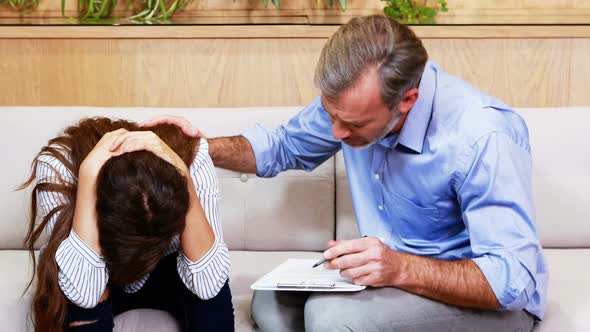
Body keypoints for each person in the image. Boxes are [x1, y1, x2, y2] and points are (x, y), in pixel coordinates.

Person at [145, 15, 547, 332]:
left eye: (352, 125)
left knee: (330, 320)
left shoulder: (482, 137)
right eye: (331, 116)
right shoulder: (352, 104)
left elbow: (512, 280)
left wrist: (400, 267)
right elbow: (283, 146)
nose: (336, 134)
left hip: (487, 303)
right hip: (393, 280)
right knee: (270, 301)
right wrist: (197, 147)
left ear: (406, 100)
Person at [21, 118, 234, 332]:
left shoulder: (192, 156)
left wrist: (185, 179)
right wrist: (88, 179)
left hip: (169, 275)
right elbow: (83, 293)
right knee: (77, 288)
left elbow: (209, 284)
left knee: (209, 278)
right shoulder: (59, 165)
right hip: (103, 274)